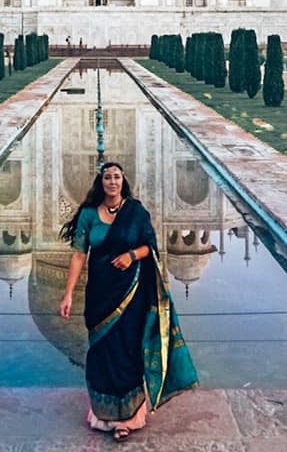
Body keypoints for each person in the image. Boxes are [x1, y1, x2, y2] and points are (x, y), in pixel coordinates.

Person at [59, 162, 198, 442]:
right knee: (100, 352)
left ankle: (129, 418)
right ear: (101, 182)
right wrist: (68, 293)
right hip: (100, 292)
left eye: (117, 177)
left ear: (123, 181)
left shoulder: (135, 212)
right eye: (107, 177)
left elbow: (151, 247)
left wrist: (132, 255)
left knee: (128, 350)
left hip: (131, 291)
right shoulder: (88, 215)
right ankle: (103, 415)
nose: (112, 181)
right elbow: (78, 255)